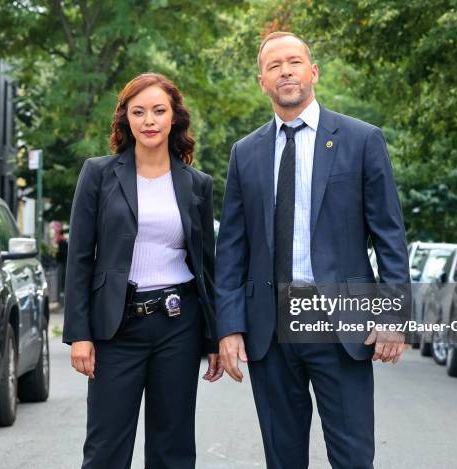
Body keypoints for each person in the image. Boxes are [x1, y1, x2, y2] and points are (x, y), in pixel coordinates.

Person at [215, 32, 410, 469]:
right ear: (262, 81)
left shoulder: (362, 140)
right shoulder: (245, 154)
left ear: (313, 72)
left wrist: (393, 316)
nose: (286, 71)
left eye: (295, 62)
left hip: (341, 323)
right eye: (274, 66)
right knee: (282, 459)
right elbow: (231, 248)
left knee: (353, 457)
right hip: (269, 327)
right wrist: (228, 326)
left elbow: (389, 235)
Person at [63, 72, 223, 469]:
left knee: (174, 447)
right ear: (126, 120)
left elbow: (206, 266)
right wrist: (80, 334)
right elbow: (80, 256)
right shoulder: (98, 174)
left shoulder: (196, 184)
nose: (148, 120)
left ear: (174, 118)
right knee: (105, 449)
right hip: (116, 326)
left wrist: (214, 336)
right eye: (138, 112)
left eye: (158, 110)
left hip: (178, 323)